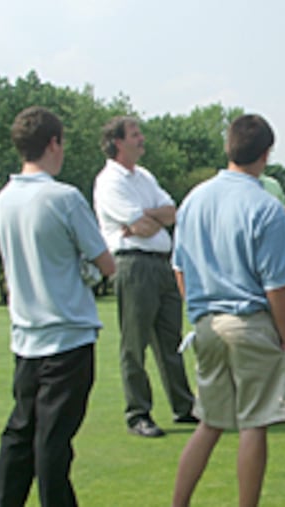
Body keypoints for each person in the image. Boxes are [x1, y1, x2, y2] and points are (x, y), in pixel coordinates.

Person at [171, 114, 285, 507]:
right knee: (254, 423)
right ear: (265, 154)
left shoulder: (193, 200)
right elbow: (276, 285)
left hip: (206, 323)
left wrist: (198, 312)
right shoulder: (266, 206)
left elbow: (180, 268)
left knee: (209, 423)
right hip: (249, 322)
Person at [0, 106, 116, 506]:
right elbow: (105, 263)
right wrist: (87, 273)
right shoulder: (63, 197)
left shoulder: (4, 199)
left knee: (20, 434)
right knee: (52, 444)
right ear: (53, 143)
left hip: (25, 337)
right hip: (68, 336)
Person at [94, 116, 195, 438]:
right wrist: (149, 219)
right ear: (118, 142)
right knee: (135, 343)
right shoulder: (110, 181)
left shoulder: (144, 177)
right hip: (132, 264)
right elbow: (138, 222)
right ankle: (138, 413)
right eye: (135, 135)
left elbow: (171, 213)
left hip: (161, 263)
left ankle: (184, 406)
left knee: (170, 341)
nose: (142, 139)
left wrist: (150, 218)